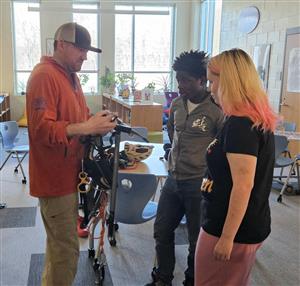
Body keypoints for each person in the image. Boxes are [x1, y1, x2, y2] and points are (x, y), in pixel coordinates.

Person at [26, 22, 117, 286]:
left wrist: (94, 122)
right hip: (54, 180)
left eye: (87, 51)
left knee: (58, 248)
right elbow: (42, 130)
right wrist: (86, 126)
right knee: (66, 252)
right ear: (61, 45)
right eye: (80, 49)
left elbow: (77, 118)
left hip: (71, 174)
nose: (85, 56)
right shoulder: (44, 75)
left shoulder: (71, 76)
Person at [195, 48, 277, 285]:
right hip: (238, 224)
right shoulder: (249, 117)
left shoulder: (241, 124)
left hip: (230, 229)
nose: (210, 88)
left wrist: (227, 237)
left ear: (228, 81)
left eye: (212, 81)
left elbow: (243, 185)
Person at [146, 50, 224, 286]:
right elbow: (171, 132)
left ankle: (192, 280)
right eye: (178, 79)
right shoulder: (177, 104)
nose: (180, 85)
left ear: (202, 80)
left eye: (186, 80)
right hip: (173, 179)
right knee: (161, 231)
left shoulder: (216, 108)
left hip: (198, 183)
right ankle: (163, 277)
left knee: (195, 240)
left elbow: (222, 147)